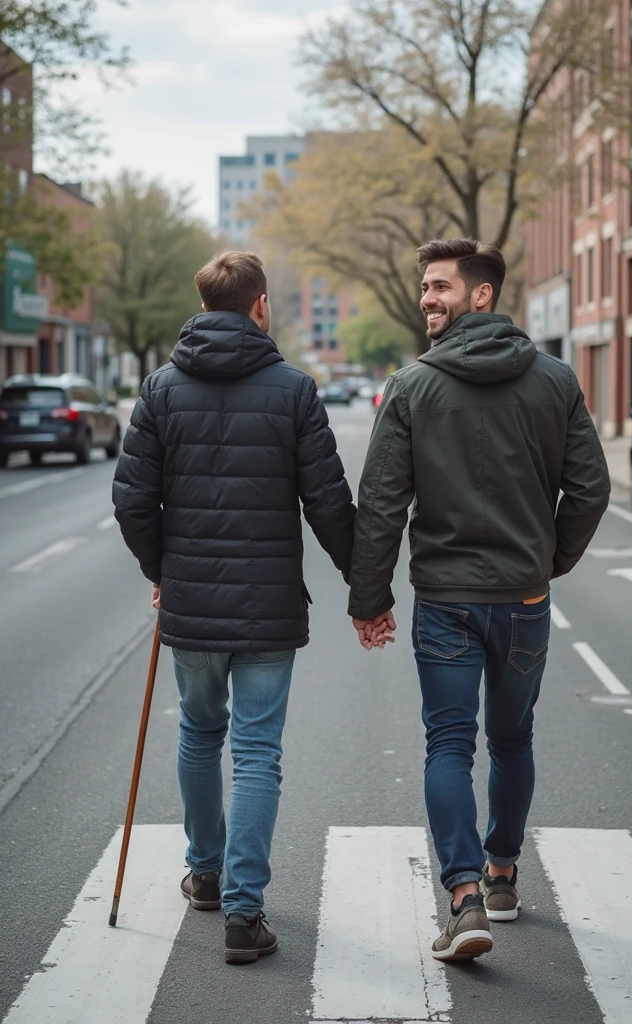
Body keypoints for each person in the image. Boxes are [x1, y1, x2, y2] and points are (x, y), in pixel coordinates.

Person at [347, 237, 611, 961]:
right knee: (512, 738)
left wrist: (368, 597)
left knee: (449, 743)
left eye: (439, 286)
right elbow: (590, 489)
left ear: (481, 293)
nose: (427, 298)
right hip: (523, 599)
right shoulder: (555, 381)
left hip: (446, 599)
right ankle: (499, 876)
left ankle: (464, 899)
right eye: (425, 287)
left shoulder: (412, 386)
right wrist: (546, 562)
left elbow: (381, 504)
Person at [113, 250, 357, 964]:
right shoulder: (295, 390)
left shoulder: (160, 390)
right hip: (268, 606)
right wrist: (365, 586)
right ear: (260, 306)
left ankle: (206, 874)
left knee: (198, 732)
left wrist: (161, 570)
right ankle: (245, 916)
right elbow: (328, 502)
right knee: (256, 751)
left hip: (190, 604)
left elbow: (132, 501)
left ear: (202, 306)